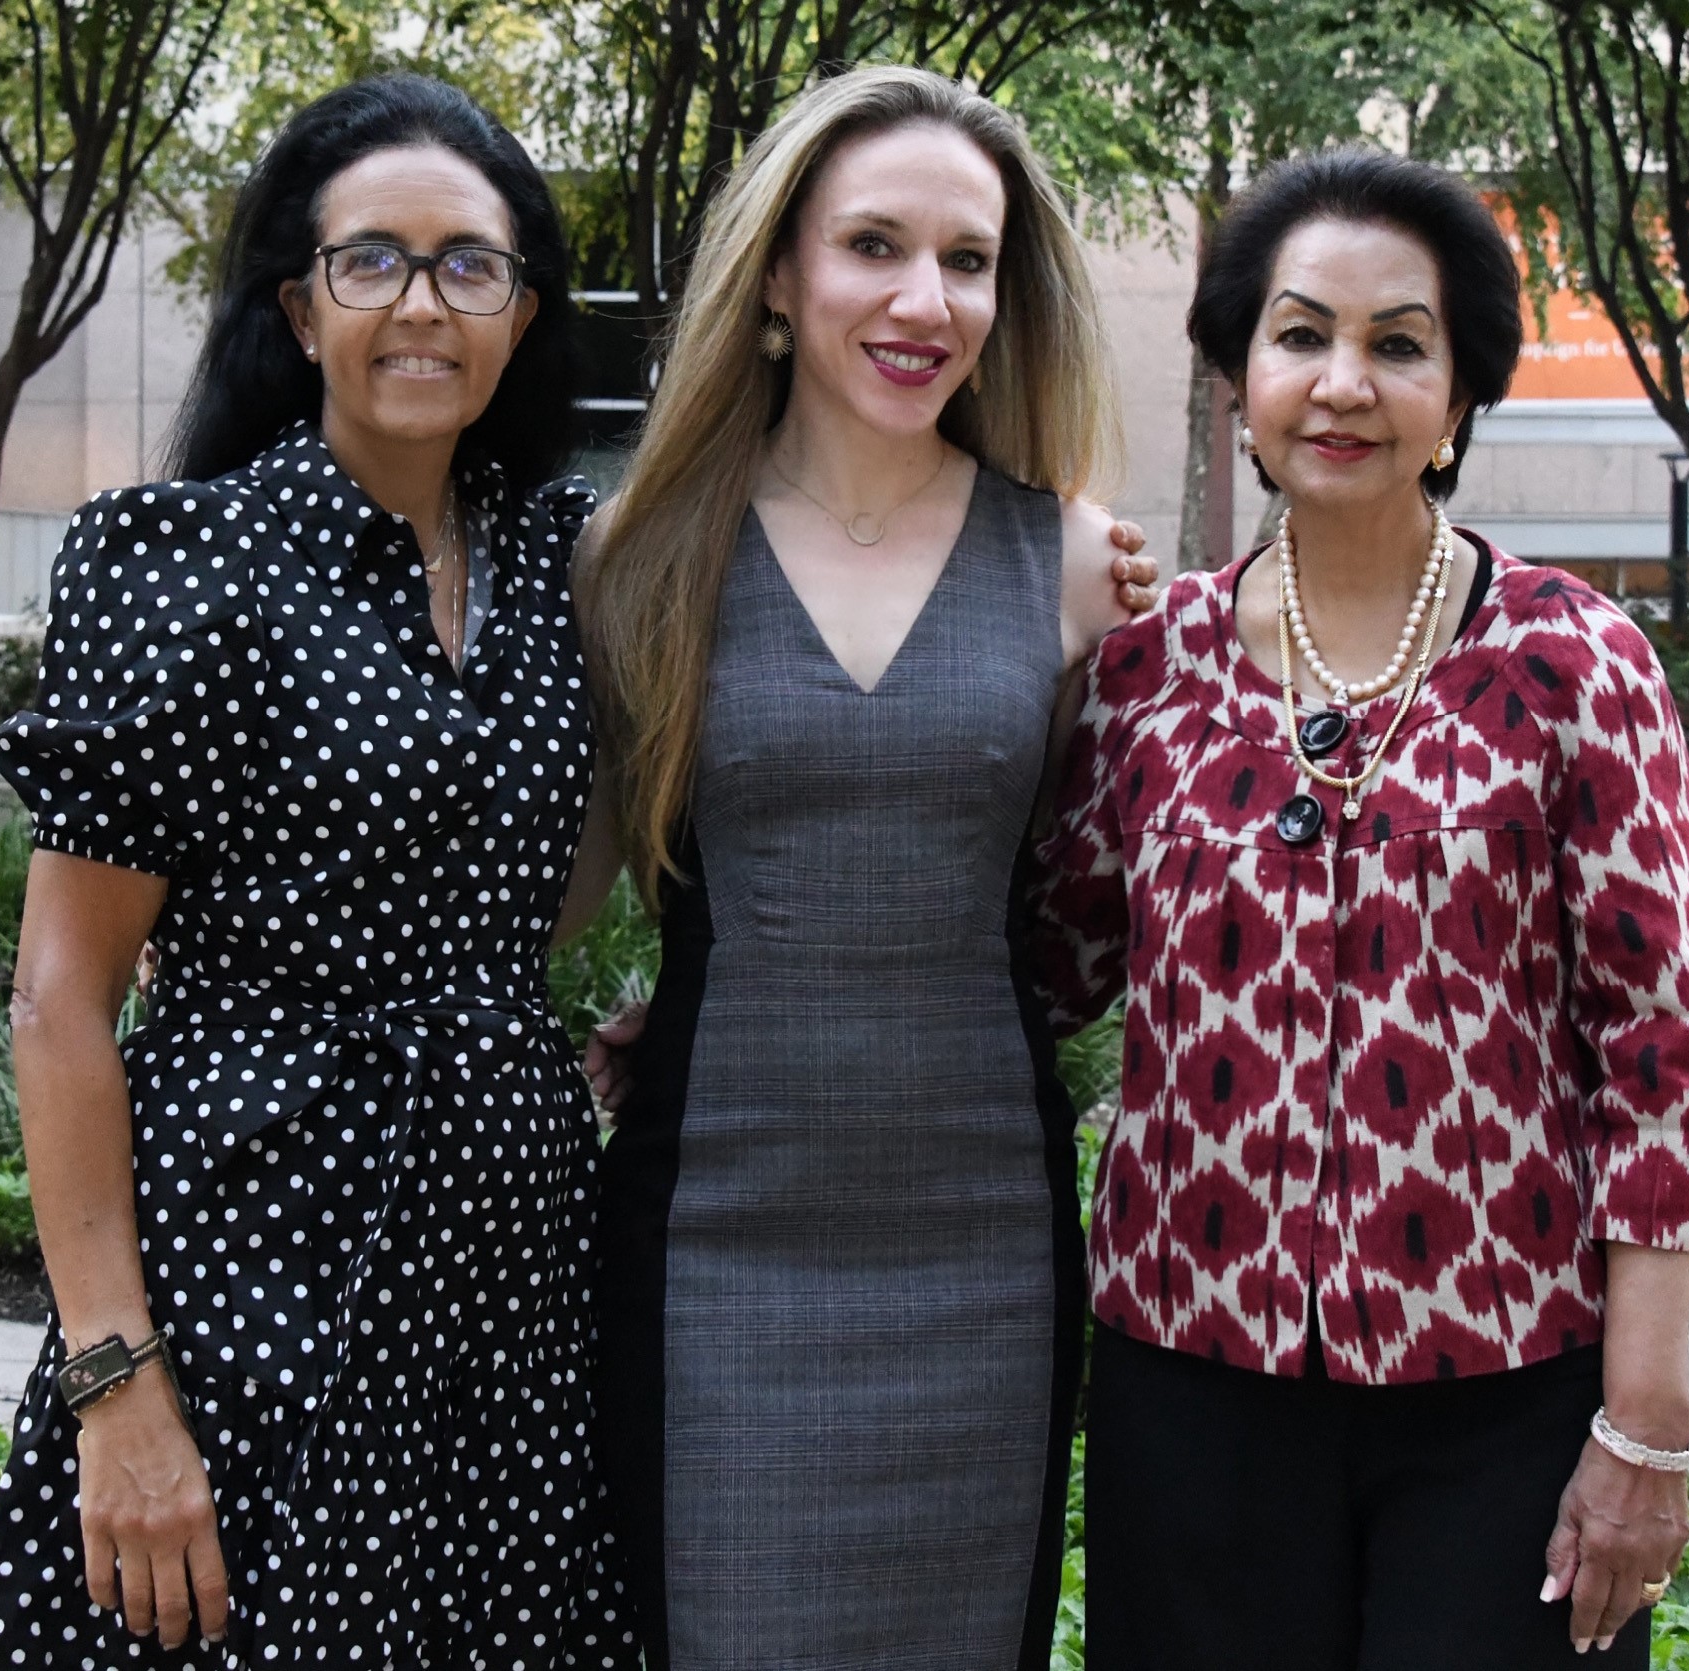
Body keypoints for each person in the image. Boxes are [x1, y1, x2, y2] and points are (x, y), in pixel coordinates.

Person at [1033, 148, 1689, 1671]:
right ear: (1238, 372)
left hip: (1504, 1400)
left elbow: (1669, 1060)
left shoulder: (1577, 663)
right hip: (1192, 1387)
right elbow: (1040, 963)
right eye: (1300, 336)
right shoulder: (1144, 667)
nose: (1341, 383)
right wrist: (715, 989)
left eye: (1397, 344)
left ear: (1460, 393)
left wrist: (1646, 1425)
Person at [0, 75, 636, 1668]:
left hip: (504, 1282)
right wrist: (115, 1388)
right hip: (253, 1266)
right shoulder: (185, 565)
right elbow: (60, 999)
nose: (421, 303)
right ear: (300, 304)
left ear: (523, 316)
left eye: (470, 264)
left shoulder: (554, 563)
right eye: (372, 261)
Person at [576, 64, 1142, 1671]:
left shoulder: (1083, 561)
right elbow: (563, 893)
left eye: (966, 260)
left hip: (981, 1244)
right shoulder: (636, 558)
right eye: (872, 245)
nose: (924, 299)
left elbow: (1093, 907)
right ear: (776, 274)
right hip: (714, 1237)